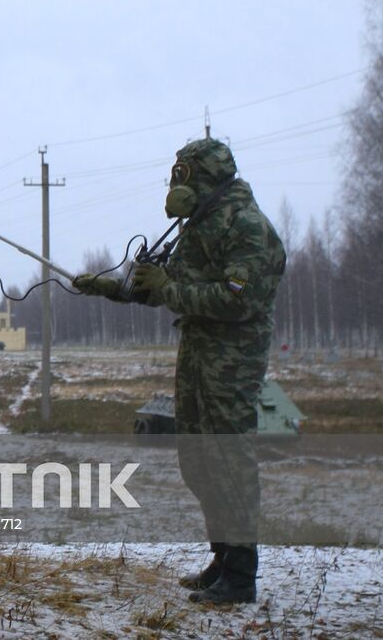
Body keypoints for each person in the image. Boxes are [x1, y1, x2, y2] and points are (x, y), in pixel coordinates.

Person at [74, 137, 286, 605]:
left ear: (204, 177)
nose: (175, 185)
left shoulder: (248, 227)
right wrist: (112, 288)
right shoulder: (201, 224)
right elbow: (167, 286)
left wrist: (169, 288)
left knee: (229, 460)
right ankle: (223, 557)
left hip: (232, 361)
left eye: (184, 175)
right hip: (196, 356)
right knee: (198, 461)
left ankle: (241, 575)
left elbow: (237, 300)